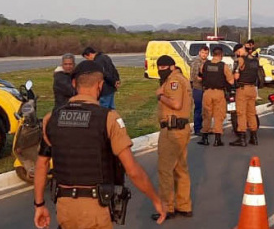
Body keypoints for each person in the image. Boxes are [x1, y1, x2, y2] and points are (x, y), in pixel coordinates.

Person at [33, 60, 166, 229]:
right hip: (96, 208)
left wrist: (39, 205)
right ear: (100, 85)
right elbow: (132, 170)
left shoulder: (51, 118)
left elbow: (41, 164)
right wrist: (156, 199)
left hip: (64, 208)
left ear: (74, 84)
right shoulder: (109, 118)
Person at [153, 55, 192, 220]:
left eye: (163, 68)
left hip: (172, 131)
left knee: (165, 169)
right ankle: (184, 206)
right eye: (159, 68)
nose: (160, 71)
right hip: (182, 129)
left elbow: (176, 104)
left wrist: (160, 95)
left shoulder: (173, 82)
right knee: (180, 168)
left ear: (171, 67)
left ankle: (167, 207)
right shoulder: (183, 79)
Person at [196, 47, 232, 147]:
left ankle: (204, 138)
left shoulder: (205, 64)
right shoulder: (223, 66)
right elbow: (231, 81)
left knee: (206, 115)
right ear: (221, 55)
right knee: (218, 116)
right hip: (219, 93)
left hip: (207, 92)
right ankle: (217, 140)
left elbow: (199, 77)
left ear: (212, 54)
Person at [230, 42, 260, 147]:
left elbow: (236, 77)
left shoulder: (240, 60)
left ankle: (242, 138)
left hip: (243, 89)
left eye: (236, 53)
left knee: (241, 113)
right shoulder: (255, 60)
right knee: (251, 113)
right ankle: (254, 137)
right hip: (253, 89)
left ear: (238, 50)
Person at [188, 46, 209, 135]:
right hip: (198, 88)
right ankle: (197, 128)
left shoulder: (207, 62)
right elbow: (194, 77)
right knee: (199, 109)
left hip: (205, 88)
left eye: (206, 53)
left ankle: (204, 127)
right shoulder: (196, 62)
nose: (204, 55)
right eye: (203, 53)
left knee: (206, 109)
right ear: (199, 52)